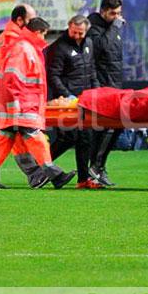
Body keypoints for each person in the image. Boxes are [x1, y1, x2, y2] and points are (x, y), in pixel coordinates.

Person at [0, 17, 77, 189]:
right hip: (21, 106)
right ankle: (54, 174)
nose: (45, 40)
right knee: (37, 139)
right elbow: (12, 78)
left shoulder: (24, 47)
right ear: (38, 32)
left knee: (3, 141)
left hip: (16, 106)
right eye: (44, 35)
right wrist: (16, 106)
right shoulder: (24, 49)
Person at [45, 15, 101, 189]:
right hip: (66, 102)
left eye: (81, 33)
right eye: (75, 32)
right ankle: (39, 166)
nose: (78, 36)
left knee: (85, 139)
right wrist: (67, 96)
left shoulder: (89, 44)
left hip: (85, 100)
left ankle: (83, 180)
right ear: (69, 27)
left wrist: (96, 91)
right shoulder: (58, 48)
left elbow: (91, 70)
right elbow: (53, 76)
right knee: (68, 137)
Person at [87, 0, 125, 187]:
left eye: (119, 13)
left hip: (114, 83)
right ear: (103, 12)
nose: (117, 17)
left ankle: (97, 166)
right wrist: (115, 27)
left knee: (117, 124)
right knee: (103, 127)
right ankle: (95, 167)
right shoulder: (93, 27)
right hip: (101, 84)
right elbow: (101, 48)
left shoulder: (112, 28)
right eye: (113, 13)